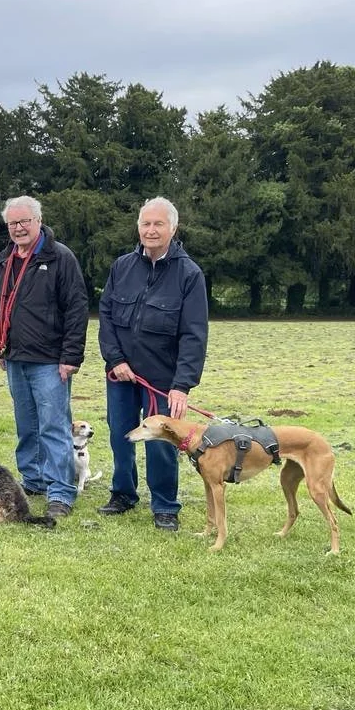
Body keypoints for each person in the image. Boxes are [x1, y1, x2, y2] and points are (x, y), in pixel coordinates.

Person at [98, 196, 208, 531]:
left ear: (173, 228)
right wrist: (115, 359)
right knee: (120, 434)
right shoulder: (122, 267)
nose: (151, 230)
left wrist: (181, 385)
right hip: (122, 374)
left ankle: (165, 505)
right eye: (146, 223)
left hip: (163, 379)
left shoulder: (189, 274)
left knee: (162, 443)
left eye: (158, 224)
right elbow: (105, 315)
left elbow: (194, 334)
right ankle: (123, 493)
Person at [0, 196, 88, 519]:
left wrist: (70, 356)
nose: (18, 228)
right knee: (26, 426)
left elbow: (76, 308)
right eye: (12, 224)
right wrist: (0, 346)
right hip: (15, 357)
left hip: (50, 360)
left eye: (24, 222)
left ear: (38, 220)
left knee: (53, 426)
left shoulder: (60, 258)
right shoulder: (5, 260)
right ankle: (33, 480)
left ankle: (61, 491)